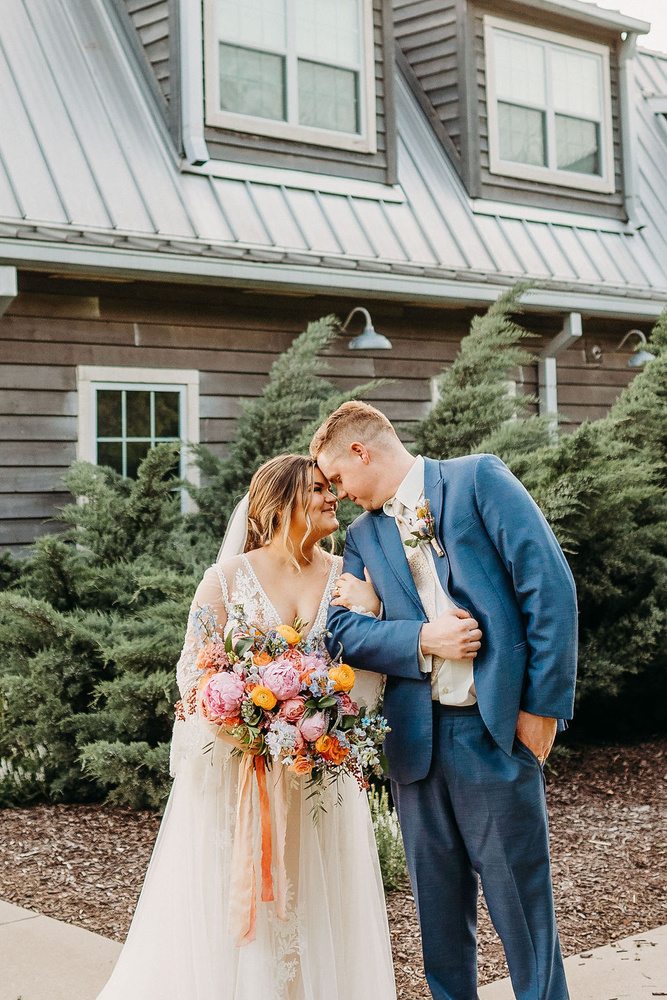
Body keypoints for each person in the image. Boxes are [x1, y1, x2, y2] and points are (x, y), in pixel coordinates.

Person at [96, 454, 395, 1000]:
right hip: (239, 777)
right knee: (243, 899)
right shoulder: (226, 579)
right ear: (280, 505)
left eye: (333, 488)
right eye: (319, 490)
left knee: (317, 894)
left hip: (316, 772)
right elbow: (192, 673)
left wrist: (324, 718)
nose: (334, 498)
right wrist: (250, 730)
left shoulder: (347, 577)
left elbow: (370, 670)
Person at [312, 401, 578, 1000]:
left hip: (492, 733)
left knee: (524, 918)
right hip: (414, 746)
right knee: (438, 925)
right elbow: (341, 632)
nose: (339, 494)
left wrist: (541, 710)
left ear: (361, 452)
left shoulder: (476, 478)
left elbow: (549, 587)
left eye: (337, 479)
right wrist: (422, 638)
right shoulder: (362, 536)